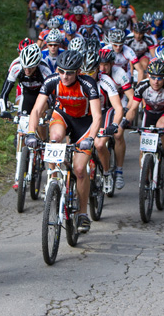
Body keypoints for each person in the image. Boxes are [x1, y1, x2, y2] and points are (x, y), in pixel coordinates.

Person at [25, 50, 102, 234]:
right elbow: (36, 110)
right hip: (63, 117)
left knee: (80, 170)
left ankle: (83, 213)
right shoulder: (52, 81)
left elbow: (98, 116)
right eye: (61, 71)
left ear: (78, 71)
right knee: (55, 139)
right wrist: (30, 133)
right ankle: (54, 179)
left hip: (84, 123)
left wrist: (91, 139)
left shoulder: (88, 84)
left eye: (69, 72)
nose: (65, 76)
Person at [0, 44, 52, 190]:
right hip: (27, 95)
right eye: (25, 67)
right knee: (21, 127)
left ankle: (42, 146)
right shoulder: (16, 66)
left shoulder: (44, 69)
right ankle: (19, 170)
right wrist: (4, 110)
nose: (27, 70)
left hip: (42, 95)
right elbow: (4, 93)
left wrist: (49, 113)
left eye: (31, 67)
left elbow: (53, 93)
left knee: (40, 116)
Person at [125, 60, 164, 177]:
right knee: (144, 147)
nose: (156, 82)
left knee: (161, 127)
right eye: (153, 77)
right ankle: (144, 175)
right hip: (150, 113)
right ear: (148, 76)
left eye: (160, 78)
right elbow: (133, 109)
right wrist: (126, 121)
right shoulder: (142, 86)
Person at [81, 51, 124, 193]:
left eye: (91, 72)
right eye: (85, 71)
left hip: (105, 111)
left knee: (99, 144)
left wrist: (115, 124)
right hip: (87, 113)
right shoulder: (79, 79)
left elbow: (118, 107)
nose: (88, 75)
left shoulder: (105, 80)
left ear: (97, 69)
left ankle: (106, 173)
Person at [98, 47, 134, 189]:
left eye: (106, 64)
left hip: (117, 103)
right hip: (100, 107)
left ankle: (119, 171)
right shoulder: (96, 73)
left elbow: (131, 96)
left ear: (112, 64)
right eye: (100, 64)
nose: (102, 67)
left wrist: (126, 111)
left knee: (118, 133)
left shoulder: (119, 73)